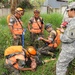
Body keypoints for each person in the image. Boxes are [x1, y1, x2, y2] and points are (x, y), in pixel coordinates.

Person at [56, 2, 75, 75]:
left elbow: (69, 39)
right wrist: (64, 31)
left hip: (70, 49)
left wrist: (60, 35)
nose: (67, 12)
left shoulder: (74, 22)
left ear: (73, 10)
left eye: (68, 10)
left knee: (60, 66)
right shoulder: (72, 21)